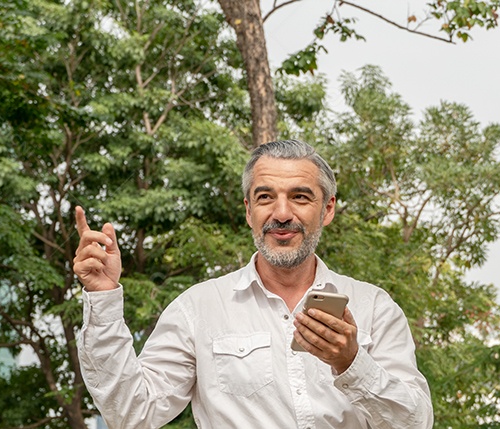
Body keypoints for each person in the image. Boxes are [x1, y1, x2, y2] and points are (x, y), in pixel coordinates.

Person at [74, 140, 433, 428]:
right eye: (265, 197)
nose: (281, 214)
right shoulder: (199, 308)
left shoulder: (374, 307)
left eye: (300, 196)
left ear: (327, 209)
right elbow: (132, 414)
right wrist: (102, 296)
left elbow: (415, 422)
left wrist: (351, 361)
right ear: (249, 211)